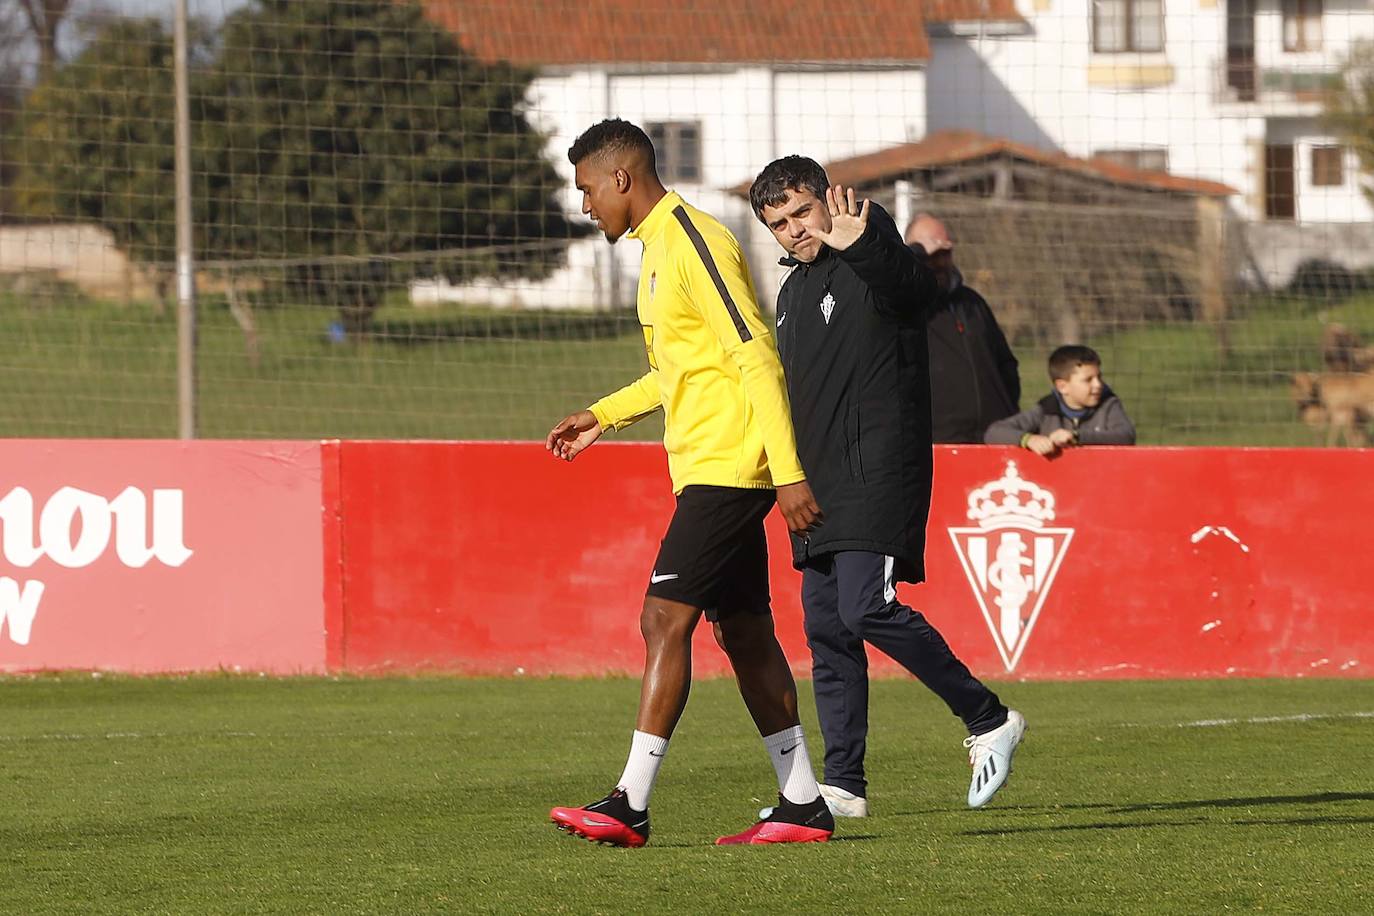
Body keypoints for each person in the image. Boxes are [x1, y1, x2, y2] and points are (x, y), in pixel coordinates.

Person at [545, 120, 834, 848]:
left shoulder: (696, 239)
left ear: (620, 179)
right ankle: (802, 801)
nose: (585, 206)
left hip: (731, 469)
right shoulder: (655, 252)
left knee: (662, 618)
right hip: (707, 467)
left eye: (586, 189)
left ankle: (629, 803)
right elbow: (680, 370)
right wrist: (602, 415)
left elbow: (755, 355)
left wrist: (788, 472)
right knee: (743, 632)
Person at [748, 155, 1026, 816]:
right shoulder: (790, 294)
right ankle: (843, 784)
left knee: (864, 608)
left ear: (828, 201)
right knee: (827, 630)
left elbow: (916, 293)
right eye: (778, 223)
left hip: (876, 470)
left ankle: (988, 720)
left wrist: (867, 241)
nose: (793, 229)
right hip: (816, 485)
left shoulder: (874, 256)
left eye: (801, 211)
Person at [904, 214, 1021, 443]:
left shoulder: (972, 303)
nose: (939, 263)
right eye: (931, 255)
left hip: (992, 439)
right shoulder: (907, 309)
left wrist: (1005, 411)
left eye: (945, 253)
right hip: (938, 444)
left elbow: (1005, 363)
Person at [984, 344, 1136, 455]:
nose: (1098, 385)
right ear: (1063, 387)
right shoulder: (1045, 411)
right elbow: (994, 433)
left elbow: (1125, 436)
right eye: (1088, 380)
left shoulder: (1109, 405)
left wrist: (1076, 437)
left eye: (1099, 377)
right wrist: (1029, 439)